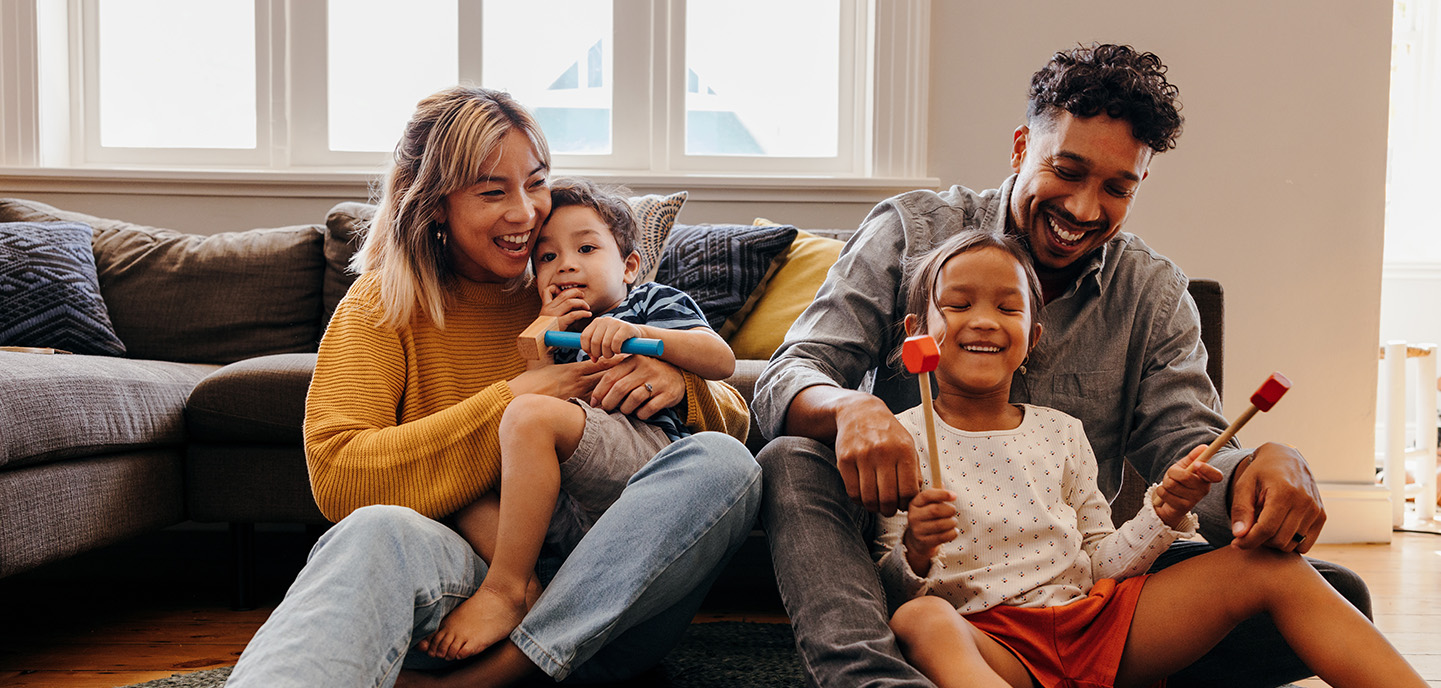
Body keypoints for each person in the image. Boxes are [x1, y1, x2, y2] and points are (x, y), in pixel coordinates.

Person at [751, 43, 1371, 687]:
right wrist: (853, 407)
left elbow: (1192, 447)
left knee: (1338, 594)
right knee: (792, 459)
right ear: (1021, 148)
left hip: (1073, 582)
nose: (1082, 209)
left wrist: (1253, 470)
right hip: (912, 581)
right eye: (1067, 171)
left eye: (1115, 188)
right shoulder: (912, 233)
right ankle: (875, 675)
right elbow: (790, 373)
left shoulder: (1152, 295)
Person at [224, 86, 760, 688]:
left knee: (724, 463)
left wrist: (677, 384)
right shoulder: (381, 305)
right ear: (434, 208)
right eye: (491, 192)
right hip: (472, 595)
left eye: (536, 181)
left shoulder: (575, 286)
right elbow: (338, 476)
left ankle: (506, 673)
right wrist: (519, 397)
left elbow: (731, 420)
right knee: (372, 533)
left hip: (619, 595)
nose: (526, 213)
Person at [873, 229, 1425, 688]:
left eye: (1008, 307)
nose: (986, 320)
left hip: (1092, 623)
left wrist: (1162, 513)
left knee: (1268, 568)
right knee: (919, 618)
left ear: (1033, 336)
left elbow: (1099, 565)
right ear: (917, 332)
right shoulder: (899, 439)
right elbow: (888, 589)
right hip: (992, 645)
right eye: (960, 304)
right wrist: (917, 550)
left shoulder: (1062, 433)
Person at [416, 177, 736, 665]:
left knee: (527, 415)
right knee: (462, 483)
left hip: (642, 461)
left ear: (629, 266)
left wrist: (642, 335)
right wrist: (543, 330)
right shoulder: (551, 326)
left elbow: (721, 359)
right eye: (545, 258)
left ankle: (504, 589)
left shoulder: (648, 302)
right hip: (567, 500)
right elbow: (536, 396)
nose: (564, 264)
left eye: (585, 248)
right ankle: (535, 598)